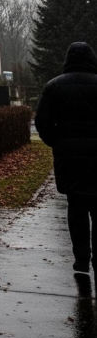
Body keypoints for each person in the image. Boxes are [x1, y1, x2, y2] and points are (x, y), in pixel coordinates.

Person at [35, 42, 97, 276]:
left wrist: (58, 142)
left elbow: (42, 122)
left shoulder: (54, 87)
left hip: (69, 160)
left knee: (76, 209)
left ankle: (81, 260)